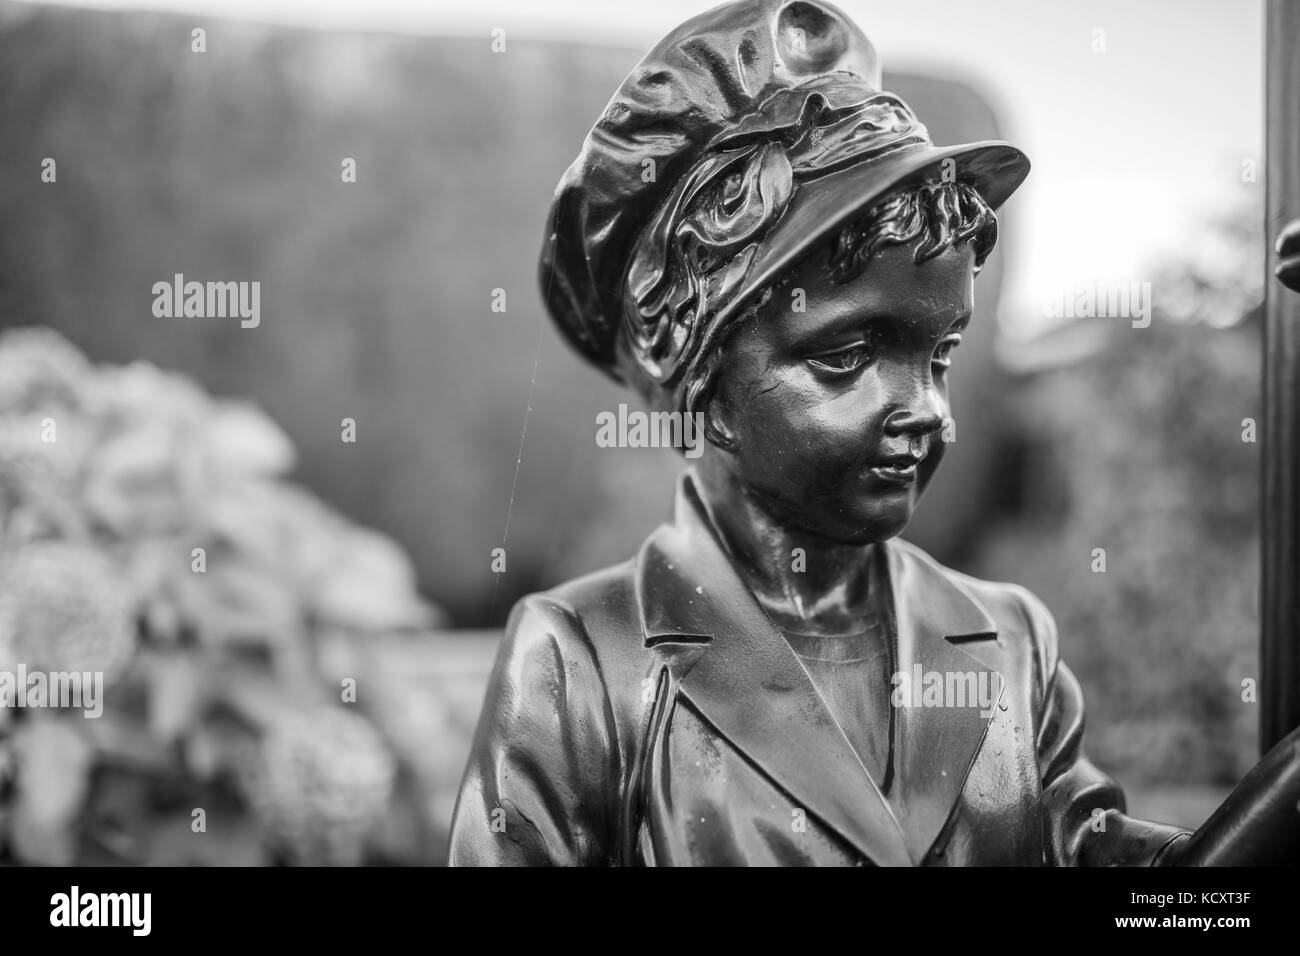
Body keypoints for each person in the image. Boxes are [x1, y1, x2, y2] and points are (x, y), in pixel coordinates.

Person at [449, 0, 1300, 866]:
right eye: (850, 355)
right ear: (702, 378)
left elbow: (1183, 907)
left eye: (940, 356)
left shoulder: (1009, 641)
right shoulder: (585, 662)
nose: (928, 409)